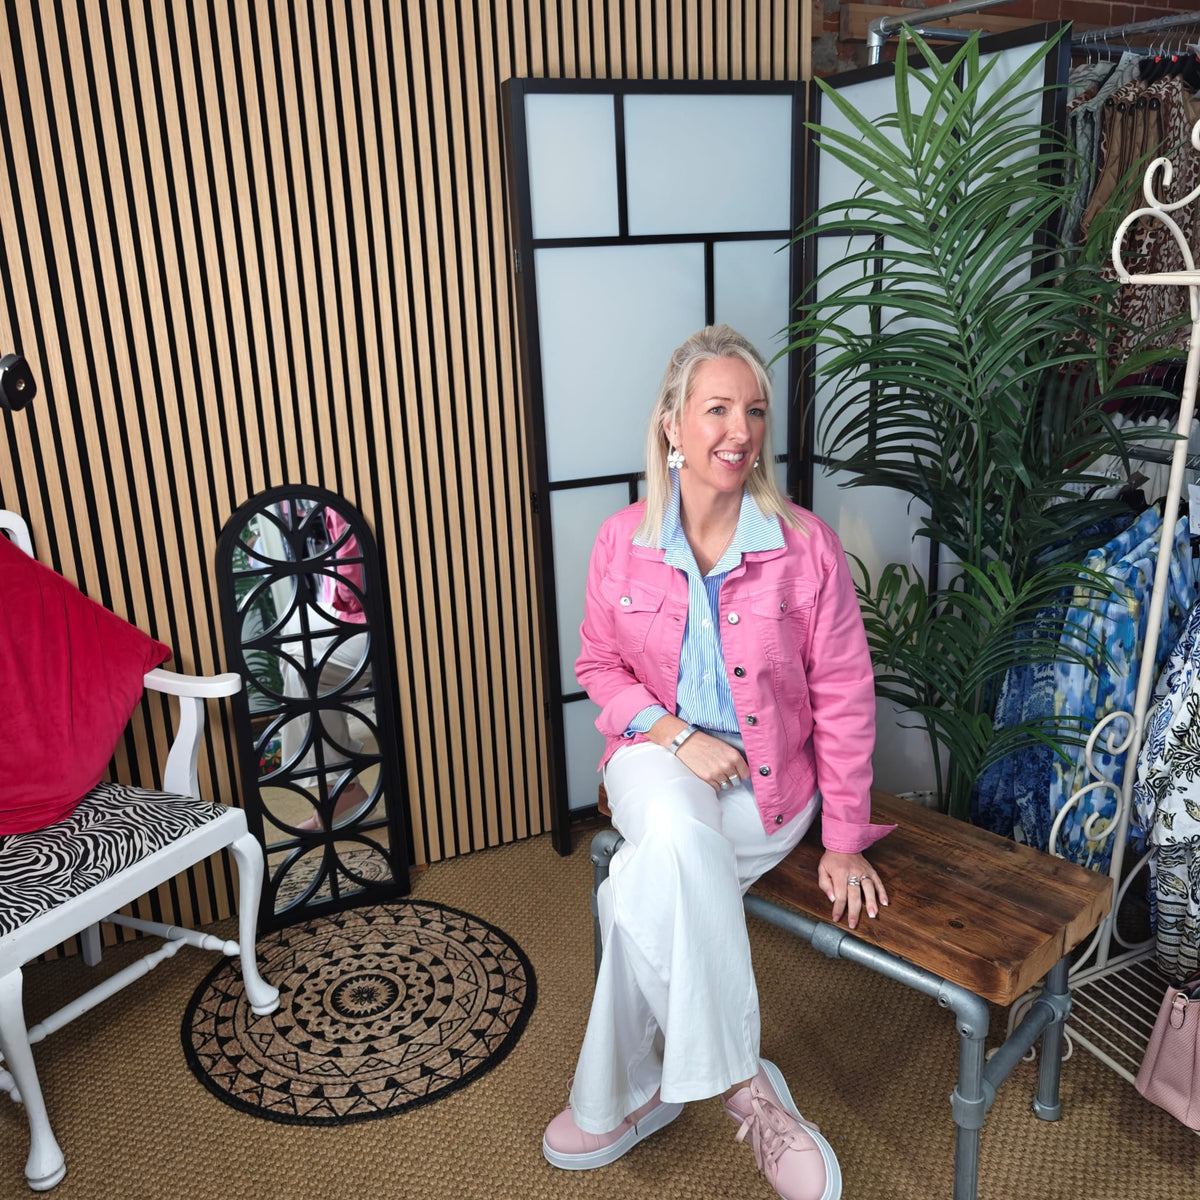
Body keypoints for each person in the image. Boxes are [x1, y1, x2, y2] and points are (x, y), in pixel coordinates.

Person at [541, 325, 895, 1200]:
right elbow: (598, 669)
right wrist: (675, 736)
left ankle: (621, 1095)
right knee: (668, 823)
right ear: (672, 425)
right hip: (654, 756)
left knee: (646, 880)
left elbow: (845, 693)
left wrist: (845, 836)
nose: (740, 429)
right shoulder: (622, 541)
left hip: (769, 786)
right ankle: (750, 1093)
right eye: (717, 409)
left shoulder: (803, 545)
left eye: (754, 411)